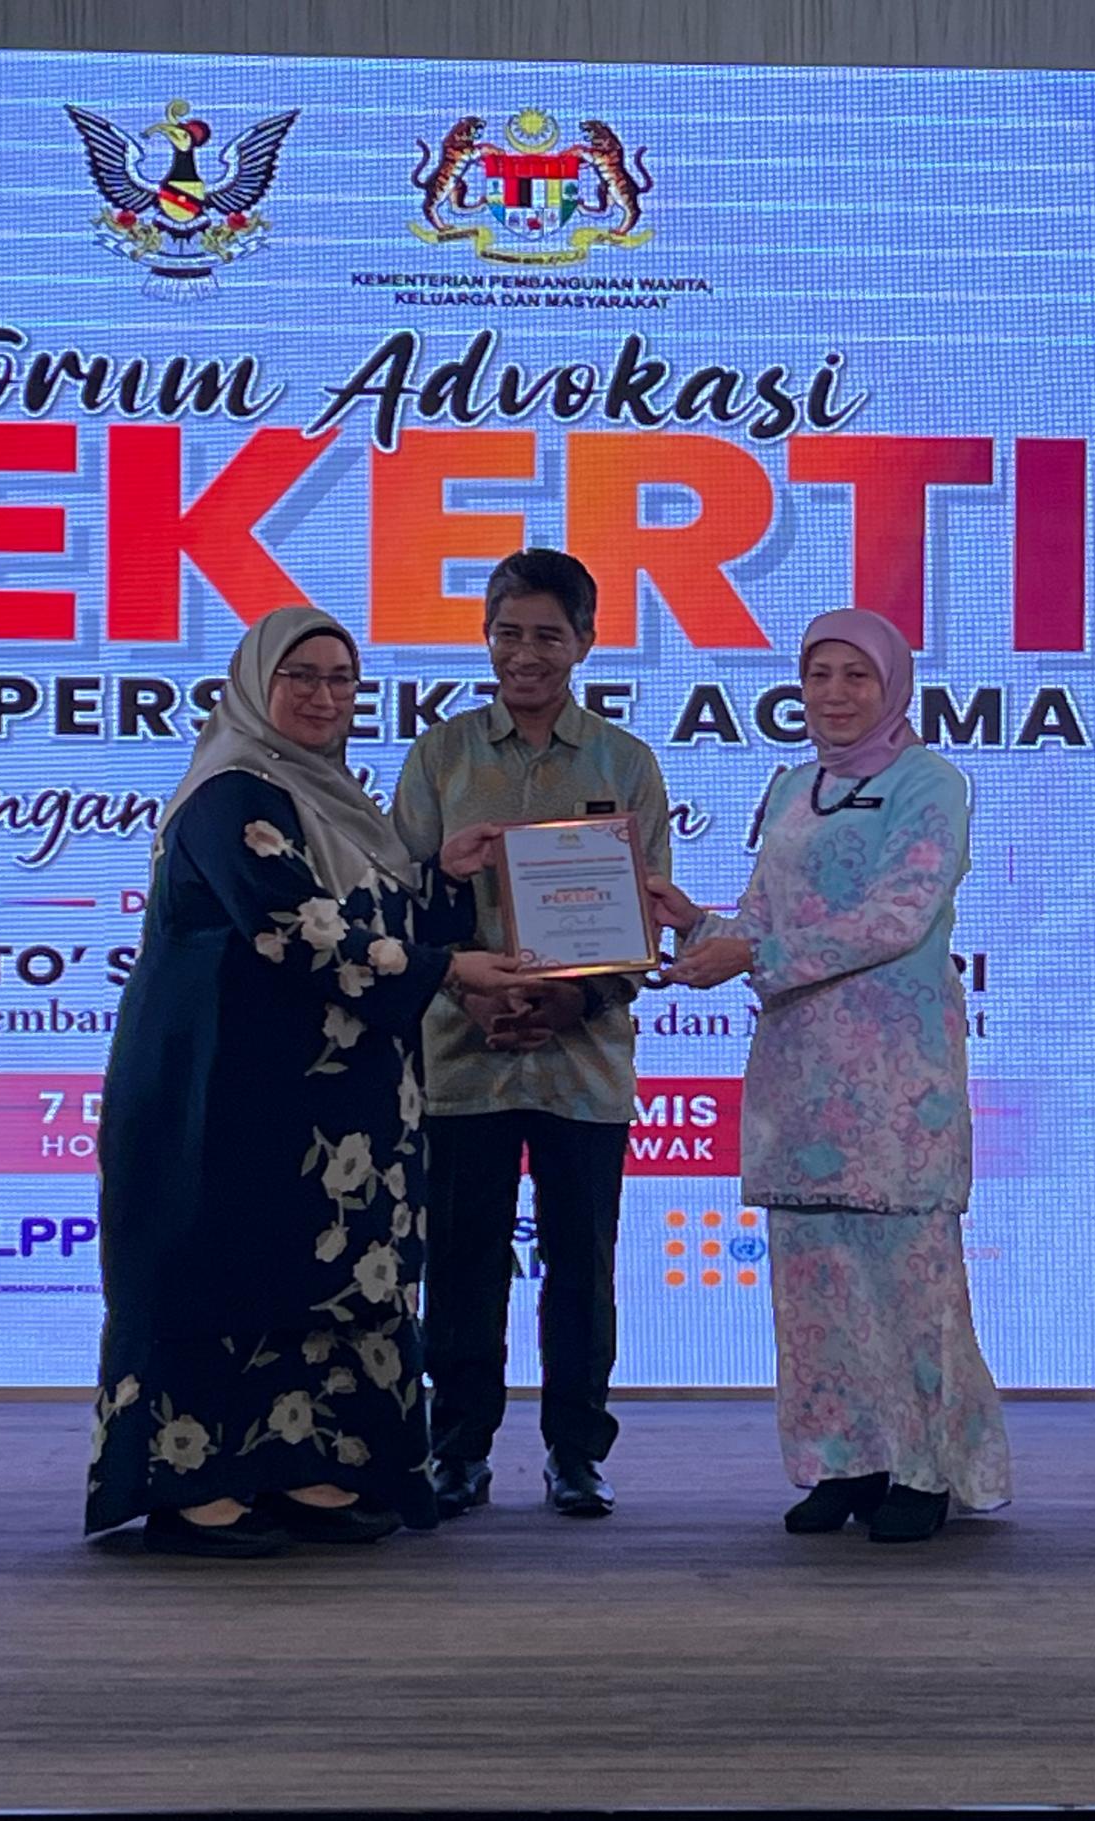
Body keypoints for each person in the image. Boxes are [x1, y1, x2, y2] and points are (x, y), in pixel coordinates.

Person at [87, 607, 522, 1557]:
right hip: (223, 1096)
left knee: (313, 1272)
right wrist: (449, 968)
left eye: (341, 679)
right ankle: (198, 1488)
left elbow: (367, 914)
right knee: (223, 1266)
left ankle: (302, 1463)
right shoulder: (232, 794)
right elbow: (301, 932)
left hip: (316, 1103)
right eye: (302, 676)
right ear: (254, 684)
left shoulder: (326, 794)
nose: (325, 697)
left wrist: (440, 880)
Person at [645, 608, 1010, 1544]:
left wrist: (751, 953)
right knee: (815, 1280)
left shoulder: (930, 783)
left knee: (910, 1279)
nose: (835, 694)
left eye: (857, 676)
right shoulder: (792, 786)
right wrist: (695, 925)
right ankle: (843, 1458)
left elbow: (898, 915)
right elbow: (762, 915)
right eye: (819, 675)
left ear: (892, 685)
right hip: (799, 1069)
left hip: (895, 1073)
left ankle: (927, 1466)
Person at [393, 549, 672, 1522]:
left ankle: (577, 1453)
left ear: (585, 642)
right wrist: (470, 994)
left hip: (582, 1061)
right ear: (486, 638)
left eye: (547, 635)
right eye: (507, 633)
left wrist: (568, 1004)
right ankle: (458, 1448)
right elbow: (402, 906)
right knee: (461, 1264)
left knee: (582, 1267)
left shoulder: (624, 764)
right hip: (460, 1054)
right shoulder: (441, 757)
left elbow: (644, 923)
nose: (525, 654)